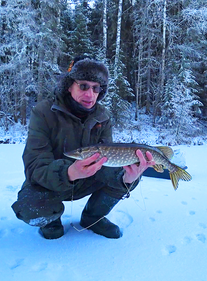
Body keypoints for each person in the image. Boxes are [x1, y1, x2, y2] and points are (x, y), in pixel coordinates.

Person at [11, 56, 155, 240]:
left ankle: (93, 218)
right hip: (51, 182)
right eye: (83, 86)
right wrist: (69, 173)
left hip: (88, 178)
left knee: (126, 176)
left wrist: (127, 179)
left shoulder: (103, 116)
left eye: (96, 88)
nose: (90, 94)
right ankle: (50, 221)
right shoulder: (43, 112)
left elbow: (108, 159)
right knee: (32, 206)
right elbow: (34, 167)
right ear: (69, 85)